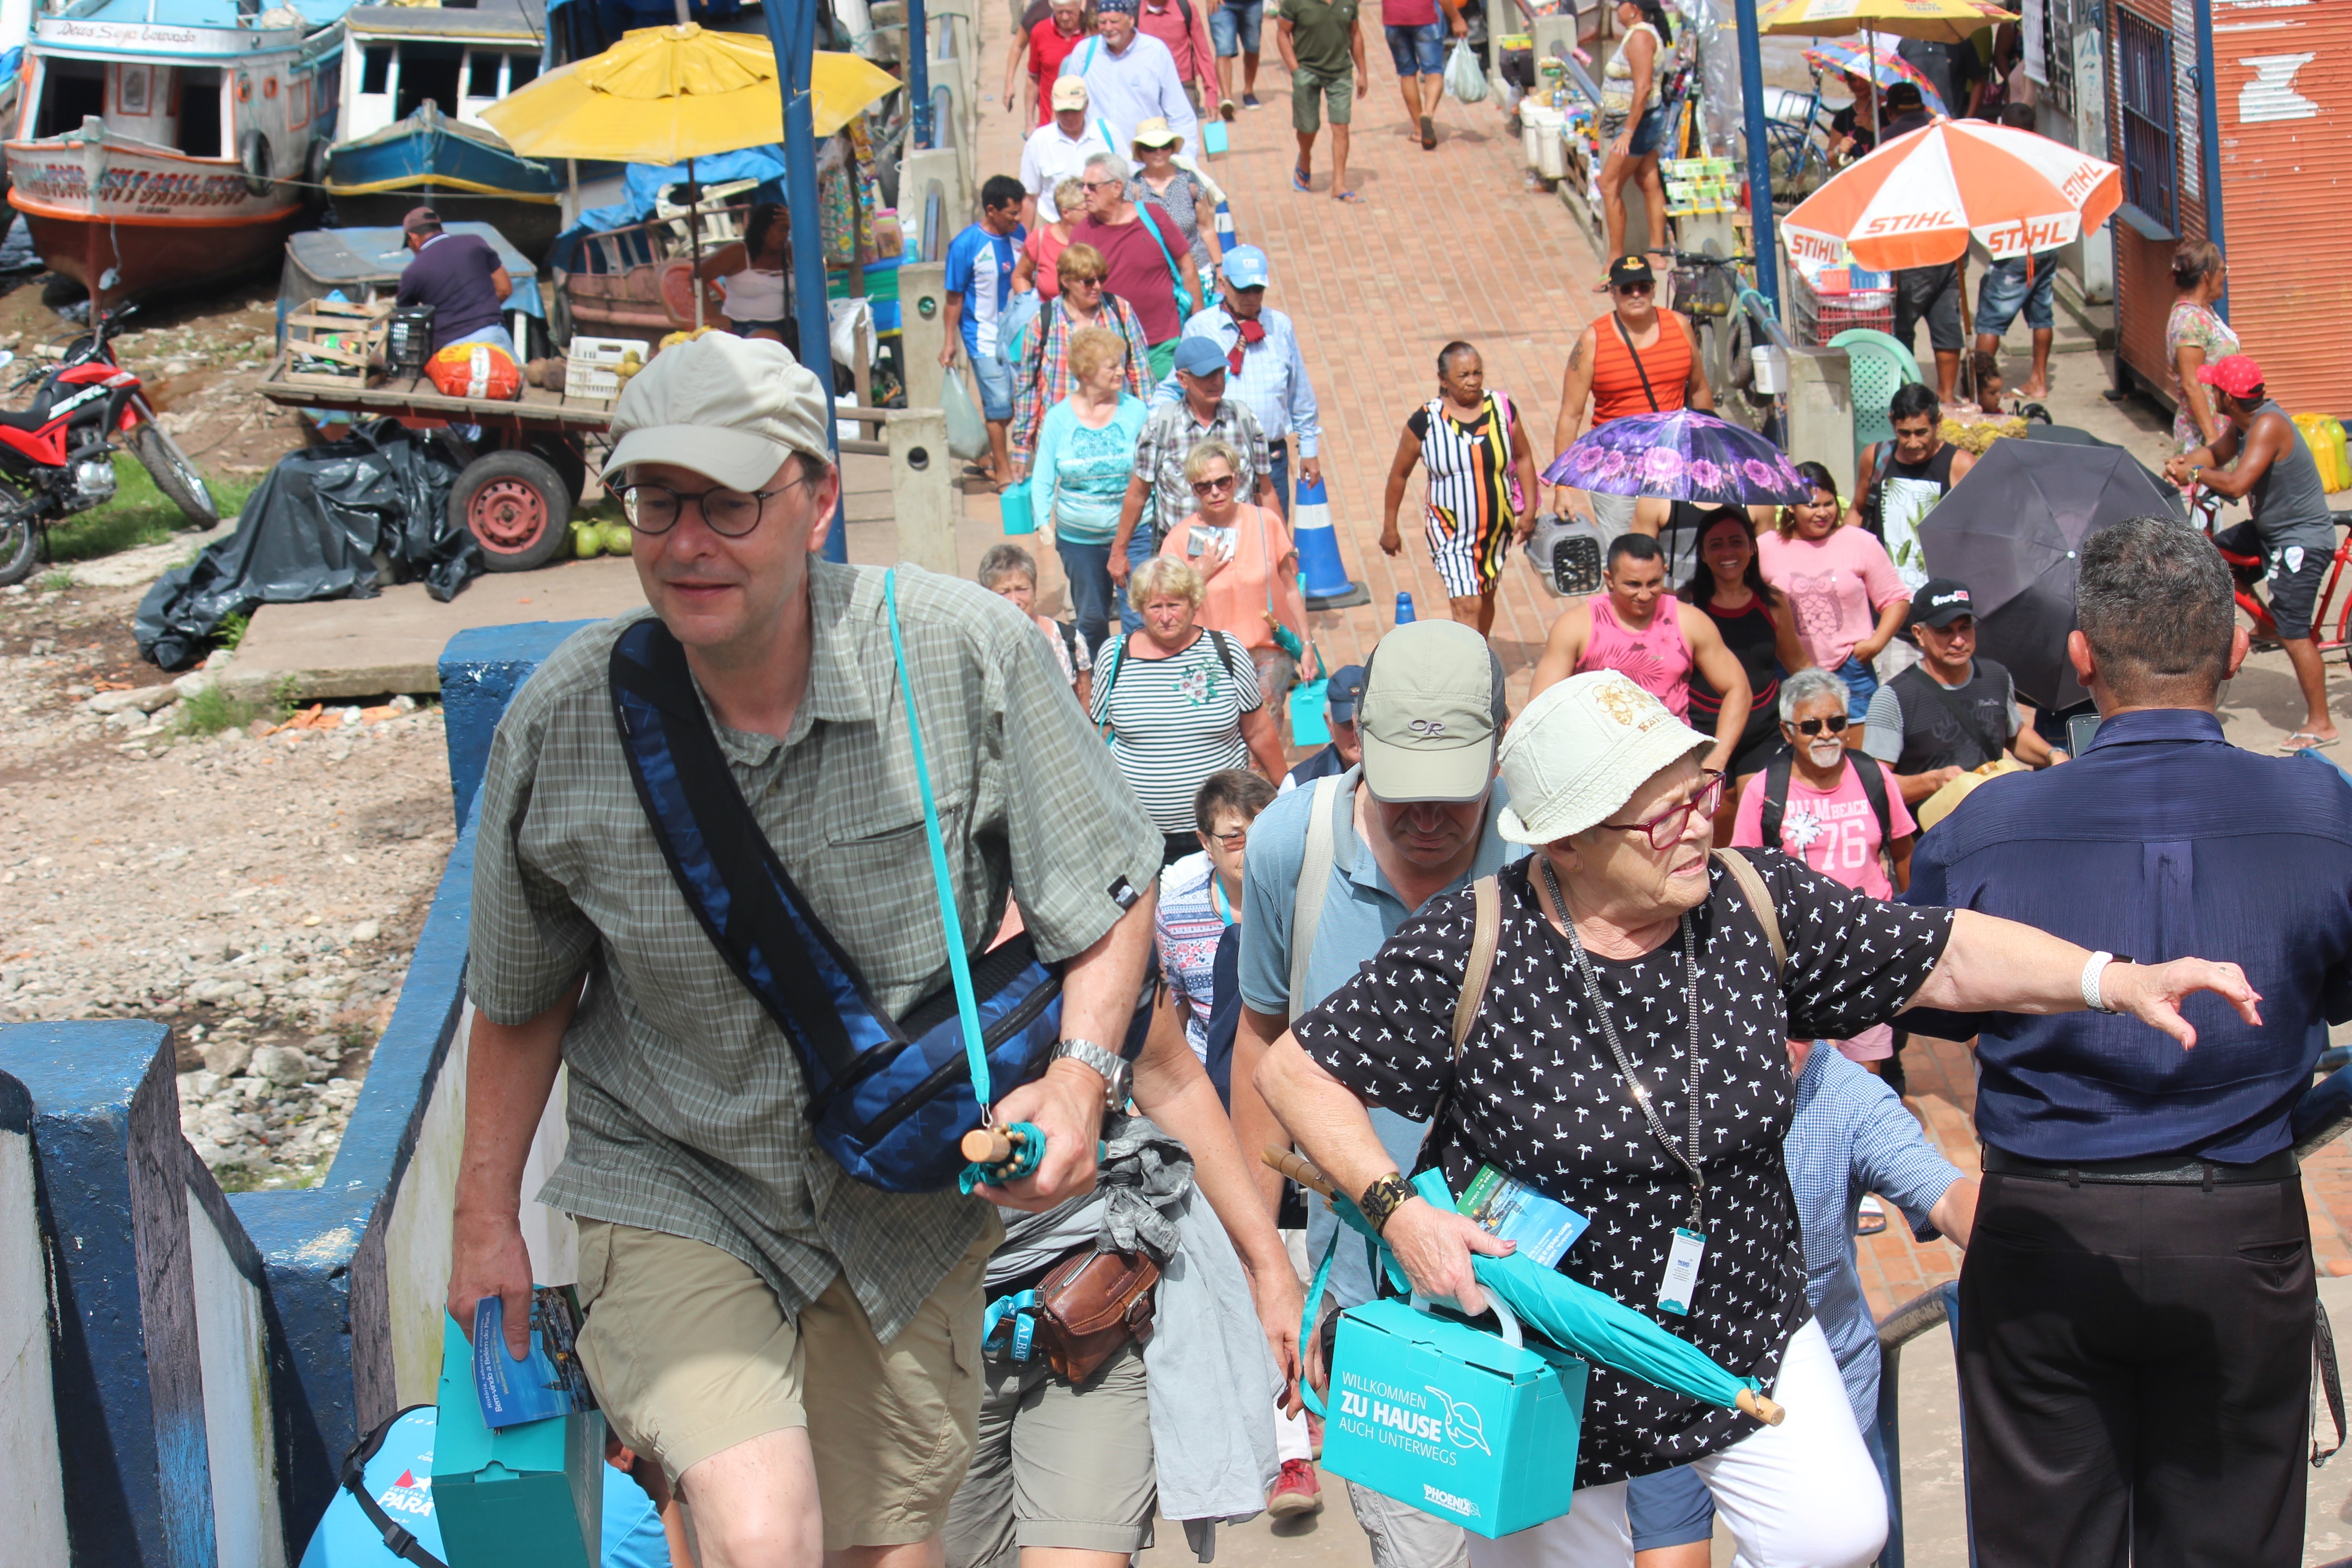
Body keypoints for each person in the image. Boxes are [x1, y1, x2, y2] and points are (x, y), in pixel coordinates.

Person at [1254, 666, 2259, 1565]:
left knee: (1839, 1531)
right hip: (1548, 1355)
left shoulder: (1750, 903)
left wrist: (2111, 980)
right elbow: (1295, 1071)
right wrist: (1397, 1211)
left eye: (1701, 794)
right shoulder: (1475, 942)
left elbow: (1942, 955)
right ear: (1566, 840)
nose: (1699, 826)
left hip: (1743, 1313)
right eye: (1663, 817)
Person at [449, 332, 1167, 1568]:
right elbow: (521, 998)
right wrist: (484, 1220)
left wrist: (1080, 1077)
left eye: (729, 502)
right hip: (671, 1174)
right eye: (657, 501)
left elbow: (1106, 896)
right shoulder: (562, 723)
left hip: (899, 1202)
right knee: (762, 1526)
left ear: (819, 499)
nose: (687, 542)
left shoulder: (960, 656)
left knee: (880, 1549)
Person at [1903, 514, 2352, 1568]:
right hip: (2237, 1227)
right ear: (2234, 648)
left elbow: (1936, 1006)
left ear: (2080, 656)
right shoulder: (2321, 808)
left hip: (2045, 1227)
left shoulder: (1983, 824)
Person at [1233, 619, 1526, 1568]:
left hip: (1538, 1292)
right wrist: (1266, 1266)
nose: (1429, 819)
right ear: (1356, 740)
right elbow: (1260, 1044)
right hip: (1372, 1311)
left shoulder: (1542, 842)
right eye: (1405, 791)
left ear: (1499, 746)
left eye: (1455, 792)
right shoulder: (1292, 845)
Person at [1625, 1028, 1978, 1562]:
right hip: (1676, 1382)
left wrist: (2021, 1244)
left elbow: (1945, 1193)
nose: (1784, 1042)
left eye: (1802, 1027)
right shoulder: (1653, 1078)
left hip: (1818, 1389)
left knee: (1838, 1545)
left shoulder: (1846, 1096)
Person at [1733, 665, 1918, 1072]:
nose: (1826, 734)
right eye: (1811, 726)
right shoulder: (1765, 791)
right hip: (1801, 957)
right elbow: (1745, 874)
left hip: (1870, 946)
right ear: (1788, 732)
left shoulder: (1874, 777)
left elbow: (1904, 851)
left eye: (1836, 722)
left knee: (1868, 1070)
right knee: (1800, 1071)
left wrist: (1910, 920)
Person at [2164, 353, 2343, 753]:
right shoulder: (2243, 424)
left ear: (2228, 397)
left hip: (2300, 539)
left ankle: (2322, 723)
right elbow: (2215, 455)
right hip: (2269, 531)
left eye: (2214, 389)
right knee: (2212, 558)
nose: (2211, 394)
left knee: (2295, 632)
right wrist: (2183, 462)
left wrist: (2195, 475)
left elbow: (2236, 484)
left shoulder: (2268, 425)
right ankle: (2267, 623)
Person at [1095, 554, 1287, 862]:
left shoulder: (1226, 650)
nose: (1165, 617)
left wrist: (1287, 791)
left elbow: (1258, 729)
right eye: (1155, 607)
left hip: (1222, 832)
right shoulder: (1114, 657)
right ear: (1140, 609)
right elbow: (1097, 739)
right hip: (1138, 832)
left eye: (1175, 605)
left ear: (1194, 604)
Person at [1529, 532, 1753, 773]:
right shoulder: (1577, 626)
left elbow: (1738, 687)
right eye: (1633, 585)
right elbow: (1539, 708)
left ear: (1665, 572)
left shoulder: (1690, 622)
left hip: (1671, 765)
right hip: (1598, 768)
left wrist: (1716, 760)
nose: (1645, 595)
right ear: (1610, 579)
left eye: (1654, 583)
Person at [1379, 339, 1540, 635]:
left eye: (1477, 373)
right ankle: (1472, 660)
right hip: (1450, 531)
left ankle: (1481, 649)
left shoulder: (1502, 409)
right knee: (1467, 604)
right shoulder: (1426, 421)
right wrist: (1390, 526)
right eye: (1463, 375)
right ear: (1443, 380)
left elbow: (1523, 457)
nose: (1473, 381)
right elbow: (1399, 475)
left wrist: (1530, 510)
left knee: (1486, 596)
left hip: (1496, 530)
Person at [1859, 576, 2063, 806]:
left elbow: (2014, 734)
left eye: (1965, 628)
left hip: (1994, 814)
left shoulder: (1996, 676)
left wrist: (2053, 754)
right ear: (1919, 634)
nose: (1958, 641)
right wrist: (1934, 781)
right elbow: (1876, 785)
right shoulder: (1893, 698)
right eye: (1945, 631)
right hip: (1932, 825)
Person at [1551, 254, 1713, 538]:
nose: (1636, 294)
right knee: (1626, 552)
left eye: (1643, 287)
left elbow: (1699, 390)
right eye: (1627, 289)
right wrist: (1563, 486)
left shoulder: (1679, 326)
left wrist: (1708, 453)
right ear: (1613, 293)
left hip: (1673, 463)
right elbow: (1571, 415)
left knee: (1679, 547)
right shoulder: (1593, 341)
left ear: (1653, 289)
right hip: (1617, 470)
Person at [1114, 334, 1275, 611]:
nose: (1217, 381)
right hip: (1181, 560)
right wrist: (1119, 552)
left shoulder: (1244, 420)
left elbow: (1266, 491)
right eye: (1206, 375)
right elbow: (1138, 494)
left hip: (1243, 555)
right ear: (1183, 380)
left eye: (1220, 373)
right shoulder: (1160, 426)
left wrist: (1283, 552)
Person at [1158, 436, 1315, 717]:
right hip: (1210, 661)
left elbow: (1291, 588)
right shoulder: (1178, 541)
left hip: (1269, 655)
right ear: (1193, 489)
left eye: (1223, 482)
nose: (1215, 492)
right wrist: (1197, 577)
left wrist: (1307, 646)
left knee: (1264, 736)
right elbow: (1167, 611)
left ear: (1236, 478)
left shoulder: (1266, 522)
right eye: (1204, 486)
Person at [1164, 246, 1322, 514]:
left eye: (1257, 290)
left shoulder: (1280, 326)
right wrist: (1155, 422)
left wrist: (1309, 448)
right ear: (1223, 285)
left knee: (1271, 535)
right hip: (1219, 464)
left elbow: (1300, 392)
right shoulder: (1200, 328)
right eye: (1243, 290)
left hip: (1271, 460)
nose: (1251, 297)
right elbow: (1174, 385)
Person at [1758, 459, 1909, 728]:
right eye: (1812, 506)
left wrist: (1874, 645)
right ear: (1791, 506)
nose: (1822, 513)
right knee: (1797, 742)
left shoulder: (1860, 542)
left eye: (1829, 504)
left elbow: (1896, 599)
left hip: (1851, 669)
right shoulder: (1765, 547)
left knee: (1861, 747)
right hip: (1787, 669)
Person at [1032, 326, 1152, 655]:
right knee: (1092, 617)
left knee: (1138, 614)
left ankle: (1138, 675)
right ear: (1086, 374)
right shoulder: (1059, 418)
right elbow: (1043, 475)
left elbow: (1152, 469)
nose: (1121, 372)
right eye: (1111, 367)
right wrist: (1042, 520)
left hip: (1134, 533)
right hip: (1079, 540)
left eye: (1121, 364)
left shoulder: (1136, 411)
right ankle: (1096, 677)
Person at [1681, 505, 1811, 789]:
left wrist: (1829, 695)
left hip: (1765, 730)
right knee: (1719, 809)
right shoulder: (1685, 605)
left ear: (1752, 548)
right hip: (1704, 733)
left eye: (1737, 542)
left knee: (1759, 801)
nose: (1728, 552)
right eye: (1716, 545)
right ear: (1703, 554)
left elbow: (1798, 662)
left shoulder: (1773, 602)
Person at [1160, 769, 1279, 1062]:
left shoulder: (1305, 901)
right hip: (1212, 1072)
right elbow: (1174, 1018)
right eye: (1235, 838)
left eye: (1264, 831)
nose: (1252, 848)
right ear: (1205, 843)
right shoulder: (1174, 916)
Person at [1010, 243, 1152, 480]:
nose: (1097, 286)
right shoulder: (1044, 320)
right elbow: (1028, 385)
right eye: (1088, 281)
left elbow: (1141, 373)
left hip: (1118, 431)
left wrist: (1149, 428)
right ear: (1066, 281)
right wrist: (1021, 446)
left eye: (1101, 279)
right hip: (1063, 436)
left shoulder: (1120, 311)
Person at [1069, 150, 1204, 380]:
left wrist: (1197, 321)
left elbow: (1187, 265)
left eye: (1092, 187)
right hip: (1110, 350)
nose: (1084, 192)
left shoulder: (1152, 216)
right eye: (1083, 186)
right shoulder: (1082, 234)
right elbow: (1074, 291)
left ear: (1117, 187)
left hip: (1164, 344)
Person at [1968, 103, 2063, 399]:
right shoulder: (2048, 155)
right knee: (2042, 316)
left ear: (2004, 127)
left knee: (1990, 321)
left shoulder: (2002, 159)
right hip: (2048, 242)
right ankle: (2039, 382)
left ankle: (1981, 390)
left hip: (2015, 248)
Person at [944, 175, 1029, 491]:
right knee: (999, 404)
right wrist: (949, 341)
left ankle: (987, 454)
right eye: (1012, 214)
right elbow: (954, 298)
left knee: (1018, 402)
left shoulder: (1020, 235)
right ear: (992, 210)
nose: (1017, 220)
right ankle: (1003, 472)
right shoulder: (965, 246)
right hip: (982, 338)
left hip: (1017, 336)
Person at [1846, 382, 1974, 591]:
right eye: (1905, 433)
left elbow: (1975, 531)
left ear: (1938, 422)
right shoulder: (1876, 458)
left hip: (1940, 594)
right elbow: (1857, 511)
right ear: (1891, 422)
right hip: (1885, 593)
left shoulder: (1960, 465)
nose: (1913, 443)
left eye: (1921, 433)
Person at [1061, 0, 1201, 157]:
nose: (1108, 28)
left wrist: (1186, 160)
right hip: (1098, 161)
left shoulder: (1155, 52)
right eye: (1103, 22)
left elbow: (1180, 115)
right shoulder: (1084, 52)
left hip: (1144, 160)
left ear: (1131, 21)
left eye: (1114, 22)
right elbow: (1067, 103)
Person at [1596, 0, 1673, 274]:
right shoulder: (1641, 33)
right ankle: (1657, 252)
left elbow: (1643, 87)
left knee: (1609, 185)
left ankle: (1614, 260)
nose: (1616, 10)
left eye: (1620, 4)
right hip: (1644, 120)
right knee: (1648, 181)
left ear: (1633, 8)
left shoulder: (1640, 37)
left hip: (1637, 124)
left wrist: (1627, 132)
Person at [978, 541, 1091, 706]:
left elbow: (1084, 704)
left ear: (1035, 590)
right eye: (1004, 592)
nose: (1014, 601)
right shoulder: (981, 646)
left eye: (1022, 589)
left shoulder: (1069, 640)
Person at [1277, 0, 1368, 202]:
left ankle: (1339, 185)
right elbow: (1283, 33)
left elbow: (1355, 33)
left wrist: (1362, 72)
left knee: (1341, 127)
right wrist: (1295, 70)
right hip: (1306, 72)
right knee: (1308, 127)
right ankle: (1305, 157)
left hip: (1340, 73)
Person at [396, 205, 513, 357]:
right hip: (493, 337)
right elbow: (505, 289)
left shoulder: (412, 272)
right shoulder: (475, 243)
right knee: (514, 372)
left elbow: (406, 323)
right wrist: (479, 313)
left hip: (451, 351)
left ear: (413, 237)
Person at [2165, 239, 2237, 460]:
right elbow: (2191, 382)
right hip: (2204, 435)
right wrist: (2213, 438)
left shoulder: (2203, 312)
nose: (2225, 276)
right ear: (2207, 275)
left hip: (2223, 427)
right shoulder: (2190, 321)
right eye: (2223, 270)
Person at [1019, 77, 1115, 230]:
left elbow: (1128, 182)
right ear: (1053, 106)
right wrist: (1026, 241)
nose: (1069, 117)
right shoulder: (1039, 141)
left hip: (1104, 227)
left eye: (1075, 111)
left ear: (1087, 105)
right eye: (1063, 112)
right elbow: (1030, 198)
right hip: (1057, 229)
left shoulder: (1107, 134)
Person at [1131, 118, 1219, 270]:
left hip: (1197, 267)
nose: (1159, 152)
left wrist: (1219, 266)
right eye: (1150, 148)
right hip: (1156, 273)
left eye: (1165, 146)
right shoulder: (1133, 188)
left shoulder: (1190, 181)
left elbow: (1206, 227)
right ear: (1141, 152)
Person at [1385, 0, 1465, 149]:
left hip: (1394, 18)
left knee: (1407, 74)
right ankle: (1428, 113)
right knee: (1433, 72)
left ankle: (1420, 131)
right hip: (1425, 16)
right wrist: (1457, 19)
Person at [712, 201, 792, 342]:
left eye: (788, 230)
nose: (785, 236)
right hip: (745, 326)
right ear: (763, 229)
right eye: (781, 230)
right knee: (770, 341)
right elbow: (697, 277)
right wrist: (714, 317)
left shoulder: (790, 251)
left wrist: (797, 223)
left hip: (788, 324)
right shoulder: (738, 252)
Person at [1005, 0, 1093, 125]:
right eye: (1060, 12)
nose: (1065, 17)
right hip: (1049, 122)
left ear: (1081, 6)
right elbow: (1033, 77)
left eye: (1070, 12)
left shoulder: (1094, 26)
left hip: (1087, 121)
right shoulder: (1039, 24)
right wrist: (1029, 121)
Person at [1281, 662, 1366, 790]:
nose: (1358, 734)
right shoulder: (1298, 785)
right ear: (1329, 724)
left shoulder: (1400, 769)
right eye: (1349, 724)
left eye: (1364, 723)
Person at [1137, 0, 1220, 115]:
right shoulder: (1134, 11)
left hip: (1183, 88)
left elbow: (1203, 54)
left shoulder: (1185, 7)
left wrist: (1212, 97)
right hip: (1147, 91)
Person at [1014, 177, 1087, 299]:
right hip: (1048, 309)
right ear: (1066, 213)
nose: (1092, 212)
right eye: (1086, 209)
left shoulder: (1098, 238)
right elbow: (1020, 277)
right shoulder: (1039, 239)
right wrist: (1030, 306)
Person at [1897, 35, 1981, 121]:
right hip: (1917, 123)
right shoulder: (1907, 43)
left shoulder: (1960, 41)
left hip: (1951, 122)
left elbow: (1979, 82)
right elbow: (1899, 81)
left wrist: (1968, 119)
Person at [1212, 0, 1266, 114]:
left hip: (1253, 3)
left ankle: (1249, 91)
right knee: (1223, 48)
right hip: (1222, 4)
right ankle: (1227, 99)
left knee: (1253, 47)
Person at [1825, 70, 1882, 163]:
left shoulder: (1887, 113)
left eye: (1863, 79)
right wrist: (1838, 151)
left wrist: (1873, 128)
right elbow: (1831, 162)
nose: (1858, 84)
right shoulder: (1843, 117)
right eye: (1853, 80)